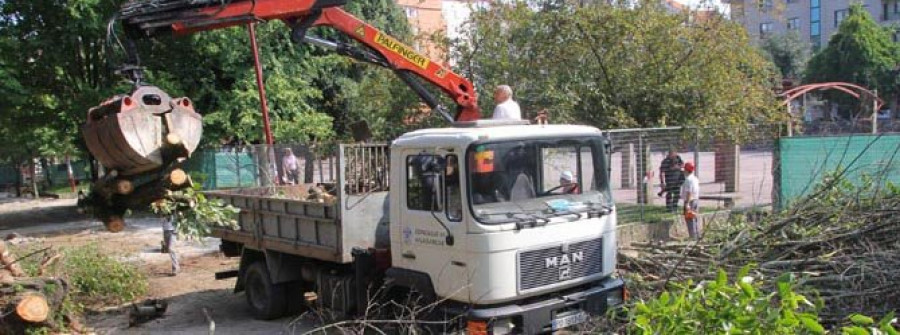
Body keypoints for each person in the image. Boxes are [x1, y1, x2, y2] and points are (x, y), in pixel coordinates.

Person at [680, 162, 701, 240]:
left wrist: (687, 204)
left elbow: (689, 192)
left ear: (686, 170)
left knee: (689, 219)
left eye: (684, 170)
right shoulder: (695, 178)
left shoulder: (688, 180)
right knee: (694, 218)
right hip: (696, 200)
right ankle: (697, 235)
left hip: (690, 201)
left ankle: (692, 237)